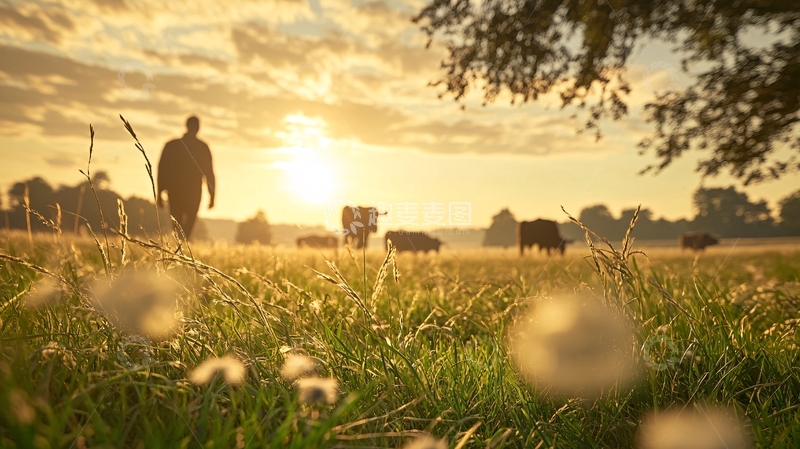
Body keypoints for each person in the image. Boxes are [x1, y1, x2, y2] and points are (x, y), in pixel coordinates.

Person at [157, 116, 215, 238]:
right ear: (198, 128)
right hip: (192, 191)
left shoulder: (171, 145)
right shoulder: (202, 148)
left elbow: (162, 170)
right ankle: (183, 242)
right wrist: (212, 195)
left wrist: (159, 192)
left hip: (175, 191)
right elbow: (209, 173)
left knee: (176, 220)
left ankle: (181, 243)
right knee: (189, 220)